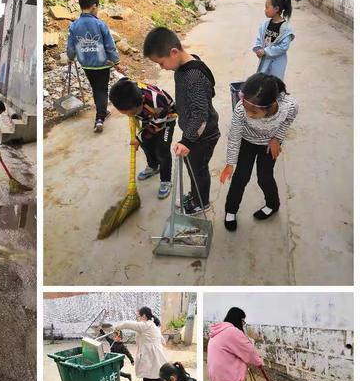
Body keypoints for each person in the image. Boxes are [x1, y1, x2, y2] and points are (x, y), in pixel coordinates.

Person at [143, 27, 220, 214]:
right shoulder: (185, 65)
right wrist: (172, 109)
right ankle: (195, 196)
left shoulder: (192, 76)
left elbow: (200, 113)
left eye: (161, 63)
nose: (161, 68)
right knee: (192, 166)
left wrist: (187, 140)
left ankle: (201, 203)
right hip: (194, 133)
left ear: (174, 52)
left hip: (202, 135)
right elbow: (190, 99)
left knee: (198, 169)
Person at [220, 73, 299, 231]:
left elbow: (288, 120)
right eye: (246, 109)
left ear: (270, 106)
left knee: (265, 177)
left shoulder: (289, 106)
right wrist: (230, 163)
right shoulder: (241, 109)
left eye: (254, 113)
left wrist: (277, 138)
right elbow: (234, 137)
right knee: (240, 178)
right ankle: (230, 210)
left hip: (269, 145)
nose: (249, 114)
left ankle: (272, 205)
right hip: (247, 143)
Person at [66, 0, 126, 134]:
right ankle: (100, 118)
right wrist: (116, 62)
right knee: (101, 90)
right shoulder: (100, 24)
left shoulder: (74, 26)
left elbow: (71, 46)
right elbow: (109, 46)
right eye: (97, 8)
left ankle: (102, 111)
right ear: (94, 6)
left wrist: (70, 57)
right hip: (102, 64)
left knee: (95, 88)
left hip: (86, 64)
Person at [109, 77, 176, 198]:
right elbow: (124, 80)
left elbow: (156, 127)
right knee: (147, 144)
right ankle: (153, 166)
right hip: (147, 117)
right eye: (125, 114)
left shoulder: (157, 101)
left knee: (162, 150)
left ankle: (166, 180)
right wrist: (141, 139)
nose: (129, 116)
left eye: (132, 113)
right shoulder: (126, 89)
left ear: (142, 101)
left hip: (165, 119)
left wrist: (139, 139)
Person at [207, 307, 264, 381]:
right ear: (238, 319)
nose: (243, 323)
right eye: (243, 320)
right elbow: (248, 351)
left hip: (216, 372)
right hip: (227, 372)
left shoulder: (218, 330)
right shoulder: (232, 332)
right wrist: (258, 362)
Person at [115, 306, 169, 381]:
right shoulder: (152, 324)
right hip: (156, 360)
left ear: (144, 316)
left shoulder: (145, 325)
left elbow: (127, 324)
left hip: (151, 361)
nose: (137, 318)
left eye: (138, 316)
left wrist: (117, 328)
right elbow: (160, 338)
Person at [253, 0, 294, 81]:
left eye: (267, 7)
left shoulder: (286, 29)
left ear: (276, 9)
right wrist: (258, 49)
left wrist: (266, 51)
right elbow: (259, 39)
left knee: (275, 85)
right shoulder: (265, 25)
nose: (265, 10)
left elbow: (283, 47)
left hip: (277, 63)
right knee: (263, 83)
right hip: (264, 61)